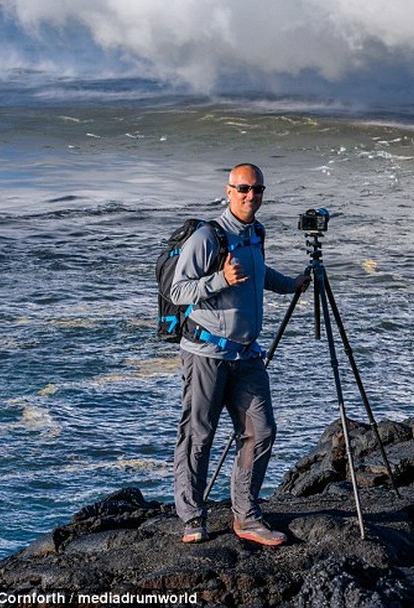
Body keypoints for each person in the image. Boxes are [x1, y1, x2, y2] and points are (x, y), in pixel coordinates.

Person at [170, 163, 310, 546]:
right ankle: (191, 518)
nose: (252, 196)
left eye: (258, 190)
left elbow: (258, 273)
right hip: (206, 354)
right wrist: (220, 280)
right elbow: (178, 293)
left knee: (261, 431)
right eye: (244, 189)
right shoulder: (207, 236)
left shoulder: (255, 233)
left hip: (246, 356)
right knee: (199, 435)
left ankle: (246, 516)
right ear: (229, 190)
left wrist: (291, 284)